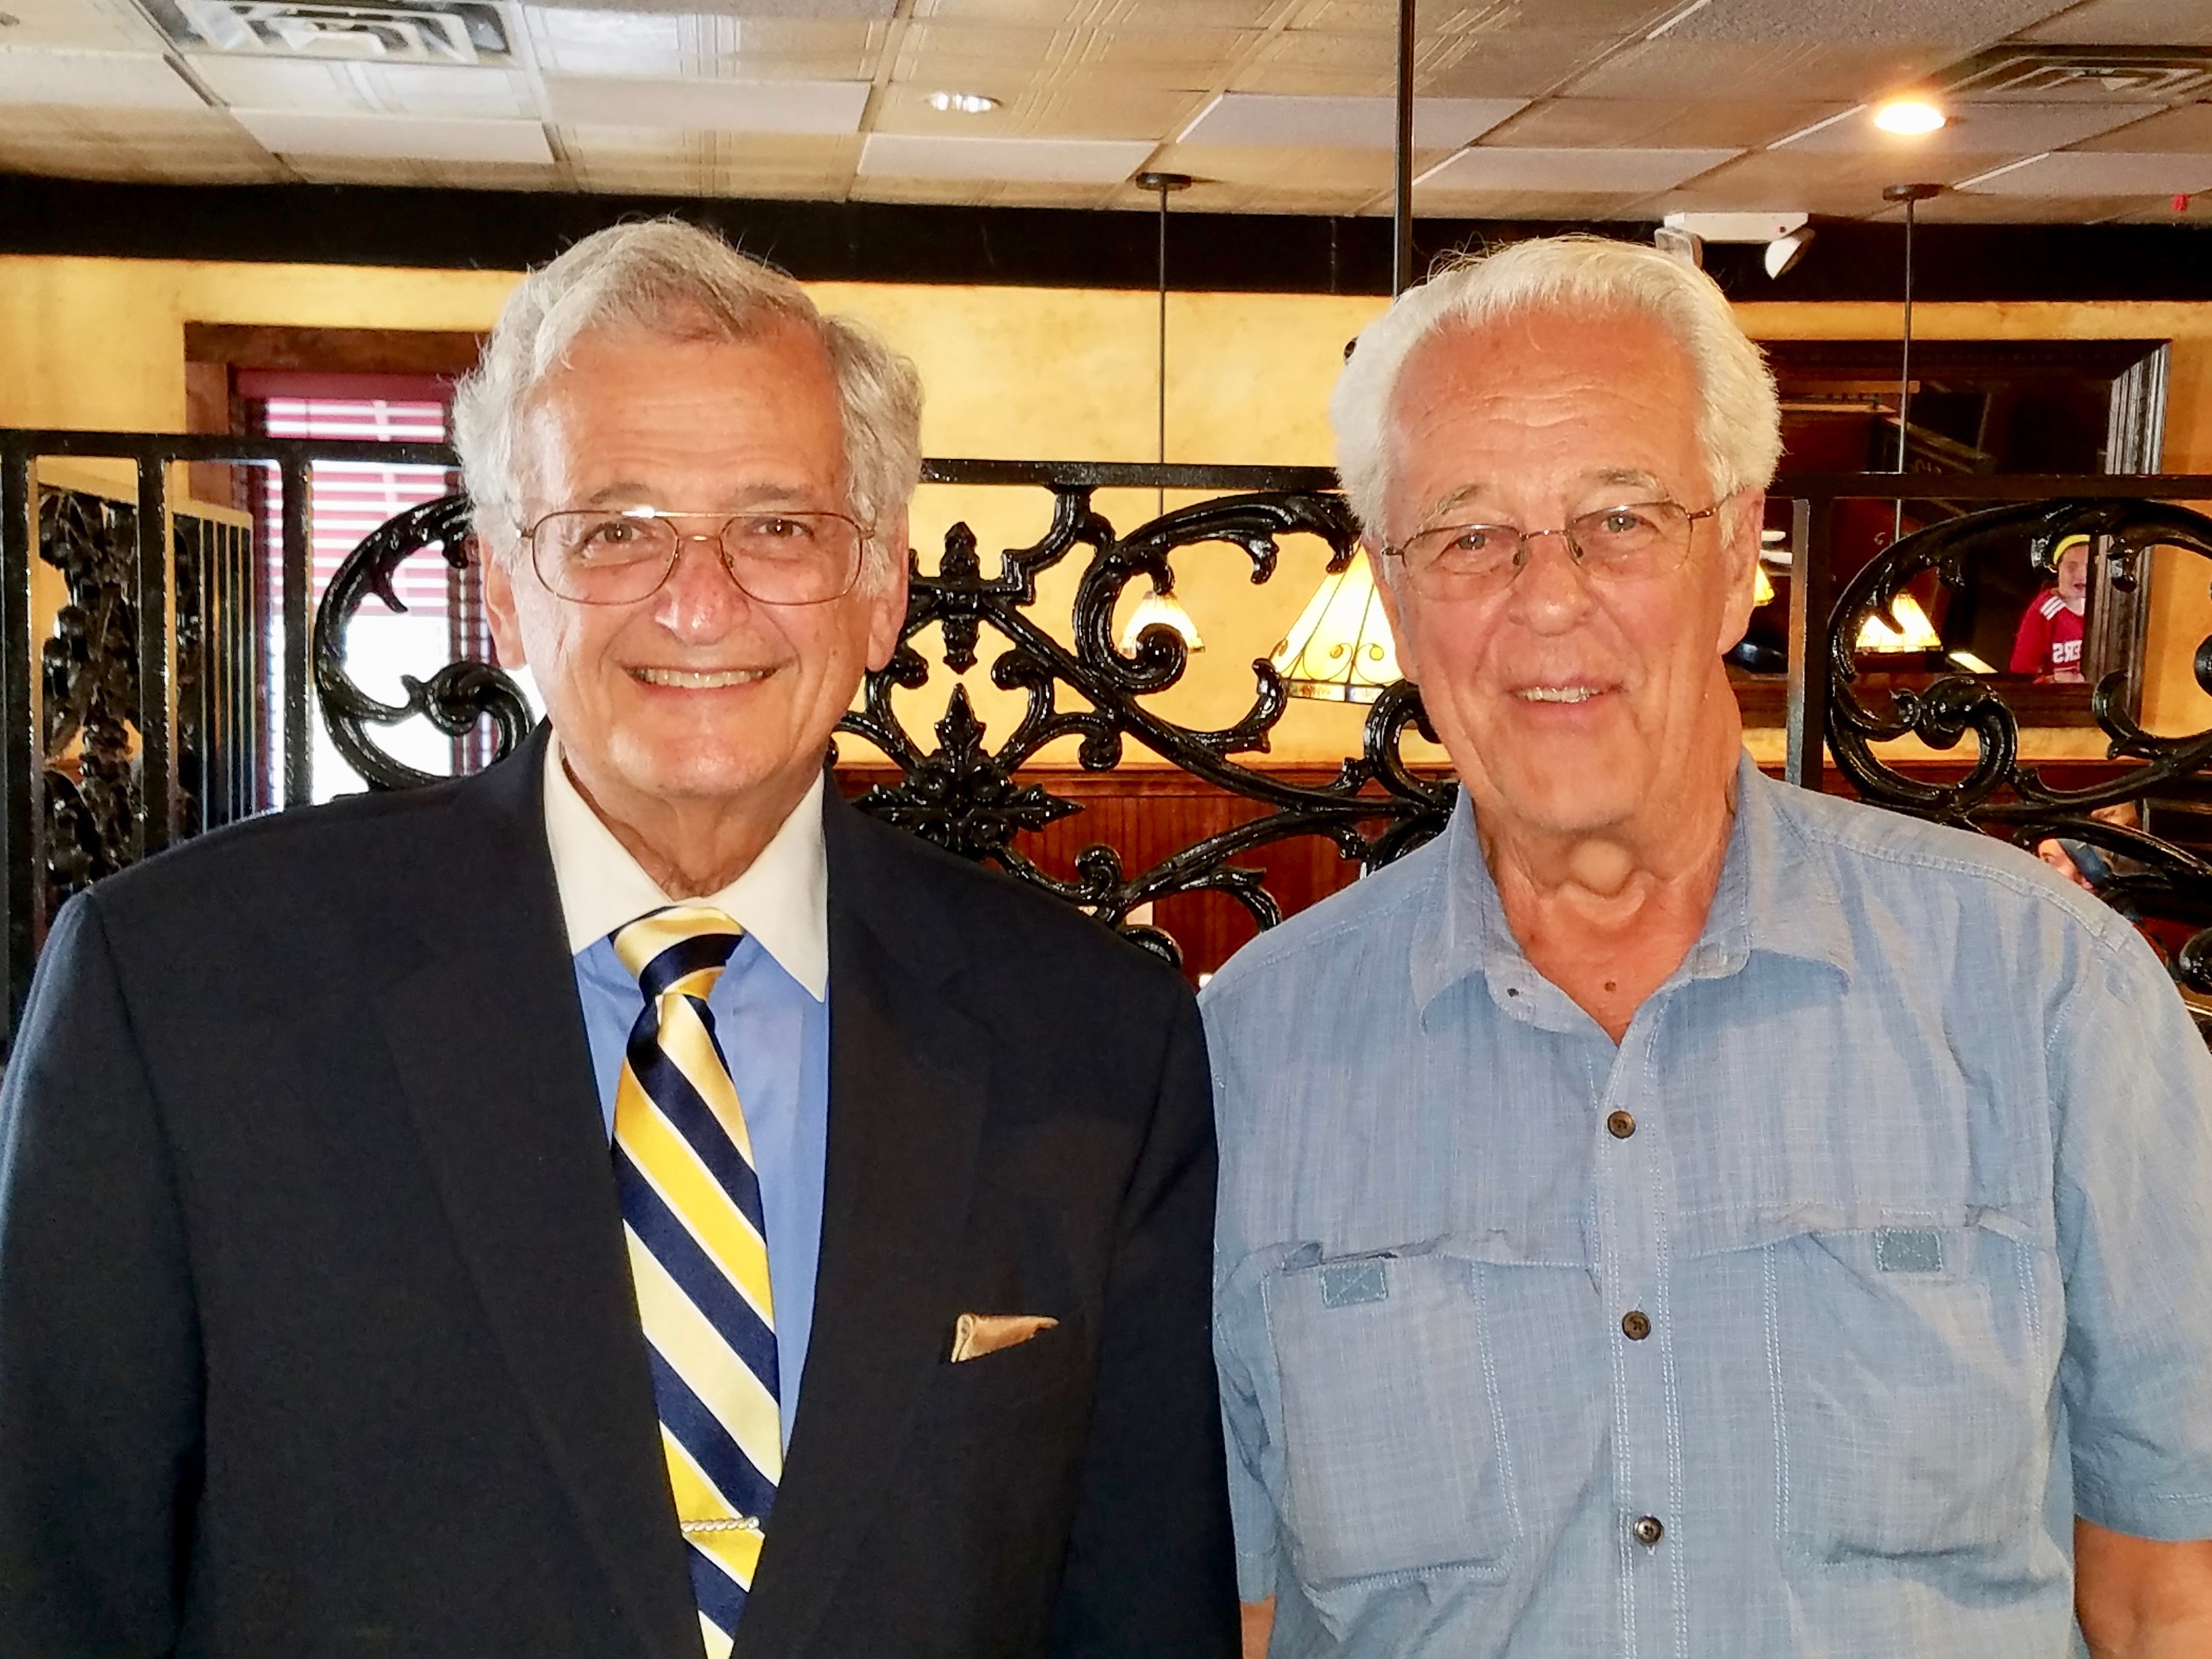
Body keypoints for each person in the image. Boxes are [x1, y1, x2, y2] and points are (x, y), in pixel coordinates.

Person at [0, 221, 1238, 1659]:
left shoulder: (1095, 1040)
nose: (699, 603)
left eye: (778, 527)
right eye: (615, 529)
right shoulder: (177, 997)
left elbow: (1140, 1613)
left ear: (881, 591)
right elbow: (48, 1587)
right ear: (506, 589)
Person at [1203, 236, 2212, 1658]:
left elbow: (2169, 1594)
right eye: (1470, 536)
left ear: (1737, 556)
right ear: (1396, 593)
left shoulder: (2047, 992)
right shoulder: (1250, 1055)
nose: (1548, 598)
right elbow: (1243, 1611)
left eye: (1618, 519)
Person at [2010, 532, 2091, 680]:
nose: (2081, 575)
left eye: (2088, 567)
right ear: (2058, 570)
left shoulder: (2103, 610)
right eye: (2071, 567)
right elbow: (2022, 675)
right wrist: (2055, 680)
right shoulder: (2044, 612)